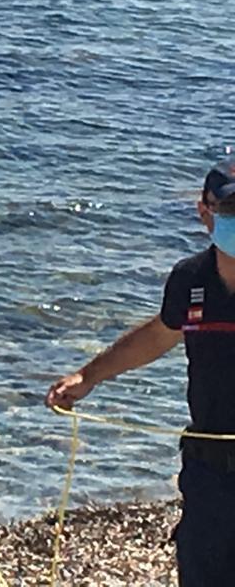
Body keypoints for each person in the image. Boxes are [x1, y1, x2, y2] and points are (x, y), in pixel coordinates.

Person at [45, 159, 235, 586]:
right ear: (204, 212)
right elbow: (158, 335)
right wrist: (87, 376)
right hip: (208, 470)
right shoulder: (190, 279)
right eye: (230, 209)